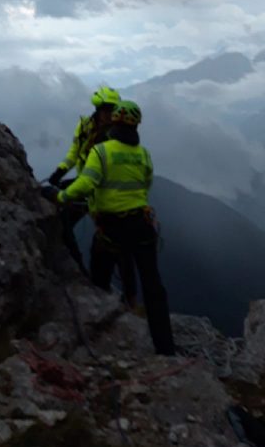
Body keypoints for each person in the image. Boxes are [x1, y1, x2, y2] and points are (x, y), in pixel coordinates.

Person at [56, 99, 176, 356]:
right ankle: (166, 349)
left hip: (111, 229)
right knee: (153, 287)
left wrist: (59, 197)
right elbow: (145, 185)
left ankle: (101, 337)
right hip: (142, 227)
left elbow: (86, 184)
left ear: (114, 123)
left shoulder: (101, 152)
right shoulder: (143, 154)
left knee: (99, 278)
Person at [44, 86, 122, 278]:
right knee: (64, 219)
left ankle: (79, 268)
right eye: (106, 109)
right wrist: (60, 170)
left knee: (66, 221)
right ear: (98, 110)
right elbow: (74, 153)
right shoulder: (85, 127)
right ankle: (80, 267)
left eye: (112, 110)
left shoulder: (116, 135)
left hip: (98, 188)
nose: (110, 114)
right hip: (86, 182)